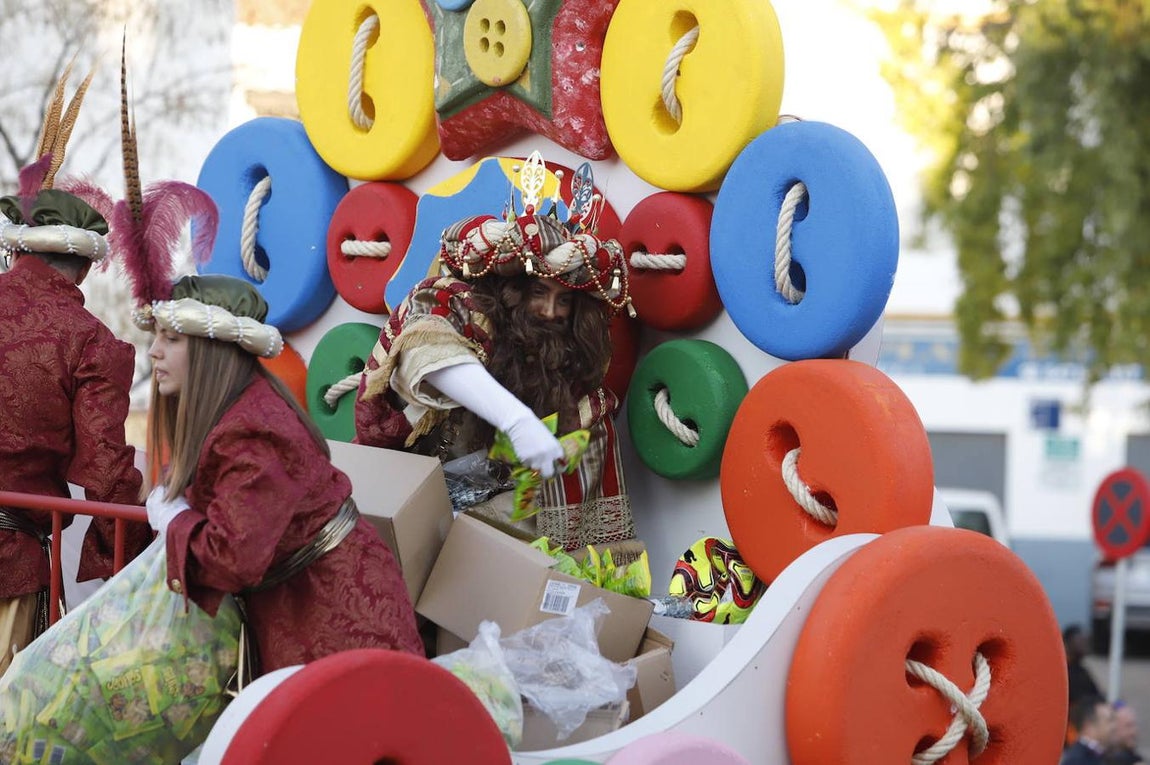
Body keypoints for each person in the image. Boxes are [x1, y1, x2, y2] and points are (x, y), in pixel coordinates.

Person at [141, 273, 424, 672]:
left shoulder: (251, 430)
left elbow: (233, 557)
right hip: (311, 603)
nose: (153, 352)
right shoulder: (240, 413)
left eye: (171, 339)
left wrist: (176, 521)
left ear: (211, 349)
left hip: (334, 612)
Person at [355, 156, 637, 550]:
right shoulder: (455, 302)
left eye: (564, 302)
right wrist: (517, 420)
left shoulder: (567, 366)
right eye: (539, 293)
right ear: (513, 289)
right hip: (402, 496)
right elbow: (425, 347)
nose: (551, 312)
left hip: (488, 534)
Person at [0, 67, 150, 676]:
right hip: (8, 561)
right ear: (85, 268)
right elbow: (109, 475)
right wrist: (126, 565)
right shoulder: (90, 343)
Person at [1063, 696, 1114, 765]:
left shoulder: (1103, 755)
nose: (1114, 726)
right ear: (1089, 725)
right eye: (1109, 721)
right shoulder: (1076, 760)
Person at [1067, 624, 1104, 706]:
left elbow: (1097, 696)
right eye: (1080, 640)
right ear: (1067, 642)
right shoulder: (1065, 673)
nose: (1084, 643)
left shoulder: (1082, 671)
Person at [1105, 701, 1146, 765]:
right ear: (1113, 728)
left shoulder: (1134, 758)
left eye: (1134, 725)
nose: (1134, 732)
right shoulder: (1096, 759)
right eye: (1128, 726)